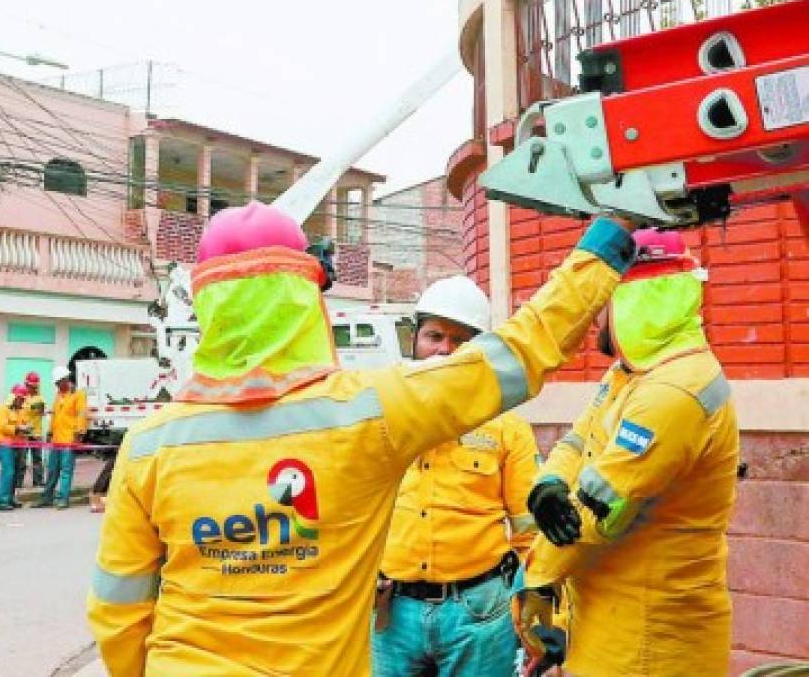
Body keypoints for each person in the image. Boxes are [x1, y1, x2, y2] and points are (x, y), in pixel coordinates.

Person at [87, 201, 636, 676]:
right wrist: (612, 233)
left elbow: (118, 612)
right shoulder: (369, 413)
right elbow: (521, 350)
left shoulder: (147, 446)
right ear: (306, 300)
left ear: (207, 305)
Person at [513, 228, 739, 677]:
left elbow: (598, 514)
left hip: (653, 643)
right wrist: (549, 485)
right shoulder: (632, 374)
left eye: (603, 302)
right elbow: (577, 442)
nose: (595, 317)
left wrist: (534, 580)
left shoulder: (674, 392)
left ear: (632, 300)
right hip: (611, 627)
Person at [373, 276, 540, 677]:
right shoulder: (380, 418)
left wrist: (537, 615)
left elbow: (530, 533)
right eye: (434, 336)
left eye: (461, 340)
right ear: (414, 339)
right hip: (392, 613)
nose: (445, 350)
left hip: (479, 615)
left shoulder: (507, 428)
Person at [34, 366, 87, 510]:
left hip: (69, 439)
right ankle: (47, 497)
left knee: (66, 471)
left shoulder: (78, 394)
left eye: (58, 382)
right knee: (52, 470)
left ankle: (63, 499)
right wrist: (50, 431)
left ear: (66, 379)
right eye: (56, 383)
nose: (57, 385)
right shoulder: (59, 395)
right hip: (57, 439)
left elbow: (82, 414)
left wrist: (79, 434)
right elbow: (56, 415)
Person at [0, 385, 29, 511]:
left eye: (24, 399)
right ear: (13, 397)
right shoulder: (2, 410)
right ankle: (3, 501)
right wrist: (18, 429)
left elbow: (25, 423)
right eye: (20, 399)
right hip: (6, 445)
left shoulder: (22, 410)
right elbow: (2, 427)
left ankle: (11, 499)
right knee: (8, 472)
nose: (22, 401)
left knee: (17, 473)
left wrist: (27, 429)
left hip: (19, 445)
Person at [15, 371, 47, 490]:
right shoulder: (22, 396)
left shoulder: (40, 397)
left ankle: (38, 481)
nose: (32, 388)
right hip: (24, 433)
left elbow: (40, 409)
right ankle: (18, 482)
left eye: (34, 386)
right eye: (30, 386)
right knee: (21, 459)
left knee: (37, 459)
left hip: (36, 432)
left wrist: (33, 408)